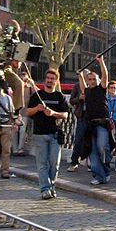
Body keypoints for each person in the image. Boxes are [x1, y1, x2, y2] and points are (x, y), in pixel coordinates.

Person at [26, 68, 68, 200]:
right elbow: (27, 112)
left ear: (56, 81)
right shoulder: (37, 96)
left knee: (54, 164)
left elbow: (65, 115)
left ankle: (52, 186)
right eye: (48, 78)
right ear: (45, 80)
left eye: (52, 79)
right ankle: (45, 189)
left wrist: (53, 113)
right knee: (42, 163)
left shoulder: (59, 96)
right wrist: (37, 109)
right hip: (40, 134)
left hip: (55, 134)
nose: (50, 81)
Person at [78, 57, 113, 186]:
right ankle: (98, 176)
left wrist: (101, 61)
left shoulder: (101, 89)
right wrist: (80, 75)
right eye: (90, 79)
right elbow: (82, 83)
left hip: (102, 123)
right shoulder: (87, 91)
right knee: (92, 151)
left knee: (102, 147)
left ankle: (106, 169)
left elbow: (106, 75)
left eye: (94, 79)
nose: (92, 81)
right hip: (90, 124)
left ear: (98, 81)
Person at [66, 70, 88, 172]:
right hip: (81, 115)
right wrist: (79, 98)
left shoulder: (93, 85)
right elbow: (71, 101)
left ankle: (91, 163)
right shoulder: (76, 86)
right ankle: (74, 162)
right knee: (78, 139)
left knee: (91, 140)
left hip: (92, 116)